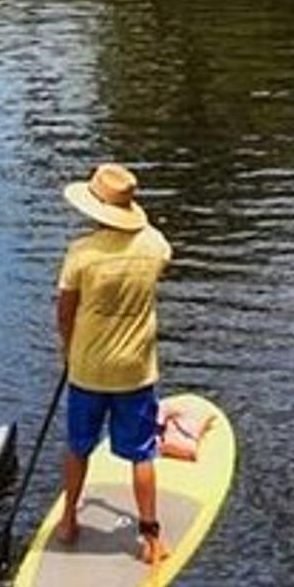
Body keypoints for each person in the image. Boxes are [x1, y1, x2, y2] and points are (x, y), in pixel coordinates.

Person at [55, 162, 174, 564]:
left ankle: (69, 520)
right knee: (142, 453)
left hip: (88, 368)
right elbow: (161, 256)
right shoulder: (155, 245)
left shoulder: (81, 254)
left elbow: (65, 312)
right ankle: (151, 537)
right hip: (135, 370)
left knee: (78, 447)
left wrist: (67, 349)